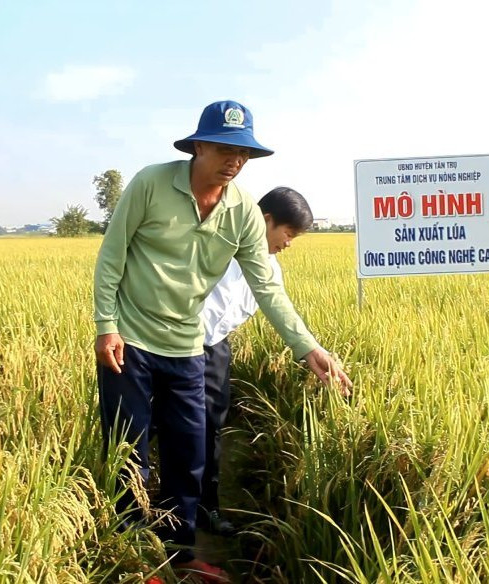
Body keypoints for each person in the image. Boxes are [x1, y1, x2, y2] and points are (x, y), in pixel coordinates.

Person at [93, 100, 351, 582]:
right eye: (227, 148)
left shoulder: (243, 215)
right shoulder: (151, 183)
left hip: (188, 346)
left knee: (188, 454)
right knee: (128, 449)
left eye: (245, 153)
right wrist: (105, 325)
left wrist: (308, 347)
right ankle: (129, 553)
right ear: (199, 145)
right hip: (130, 340)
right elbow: (112, 256)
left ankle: (180, 551)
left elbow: (267, 286)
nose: (236, 160)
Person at [197, 186, 315, 537]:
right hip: (174, 345)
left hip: (215, 347)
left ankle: (206, 509)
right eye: (288, 234)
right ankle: (151, 511)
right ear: (265, 220)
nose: (289, 243)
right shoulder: (214, 245)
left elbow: (280, 310)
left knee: (210, 429)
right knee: (164, 425)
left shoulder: (270, 270)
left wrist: (311, 350)